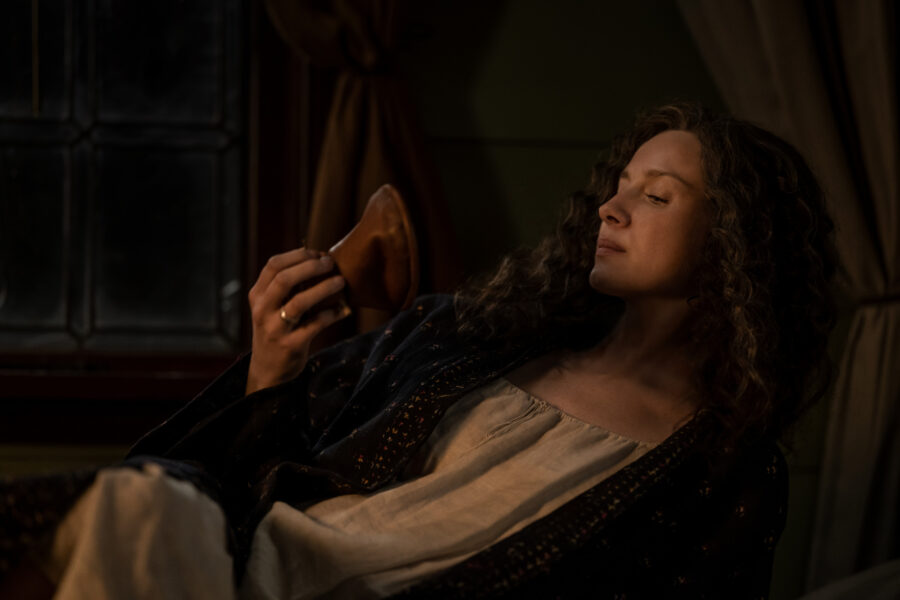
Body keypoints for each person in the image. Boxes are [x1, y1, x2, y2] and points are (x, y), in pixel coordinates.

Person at [0, 101, 837, 599]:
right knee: (135, 508)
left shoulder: (721, 471)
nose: (611, 210)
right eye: (617, 187)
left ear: (739, 242)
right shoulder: (471, 335)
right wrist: (271, 368)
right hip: (238, 569)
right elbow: (259, 463)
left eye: (657, 196)